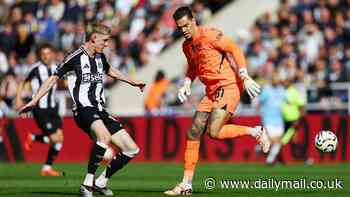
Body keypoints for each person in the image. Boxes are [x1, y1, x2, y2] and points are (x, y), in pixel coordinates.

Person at [18, 23, 146, 197]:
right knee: (104, 136)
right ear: (93, 38)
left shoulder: (100, 57)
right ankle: (87, 184)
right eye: (105, 40)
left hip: (101, 110)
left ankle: (101, 182)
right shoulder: (75, 57)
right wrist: (34, 100)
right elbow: (52, 79)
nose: (107, 44)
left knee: (132, 149)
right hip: (83, 109)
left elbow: (110, 71)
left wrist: (132, 81)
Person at [164, 7, 270, 195]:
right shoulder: (186, 46)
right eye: (180, 28)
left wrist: (244, 75)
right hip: (211, 91)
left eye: (186, 25)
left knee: (213, 131)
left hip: (228, 86)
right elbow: (193, 67)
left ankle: (255, 131)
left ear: (194, 20)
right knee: (194, 131)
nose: (184, 30)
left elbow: (234, 48)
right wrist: (187, 83)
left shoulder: (210, 35)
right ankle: (186, 185)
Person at [15, 44, 64, 176]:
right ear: (40, 55)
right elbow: (22, 82)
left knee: (60, 138)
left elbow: (64, 80)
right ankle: (34, 137)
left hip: (53, 107)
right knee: (54, 139)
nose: (46, 56)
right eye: (43, 54)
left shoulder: (57, 67)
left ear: (52, 54)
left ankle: (47, 168)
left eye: (48, 53)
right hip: (40, 109)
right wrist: (18, 98)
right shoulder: (35, 68)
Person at [257, 72, 285, 165]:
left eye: (277, 78)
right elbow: (259, 103)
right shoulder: (266, 90)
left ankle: (261, 150)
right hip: (268, 119)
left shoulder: (281, 90)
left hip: (279, 119)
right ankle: (270, 159)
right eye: (275, 78)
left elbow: (287, 100)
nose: (276, 80)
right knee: (275, 140)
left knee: (278, 141)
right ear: (272, 79)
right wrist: (260, 114)